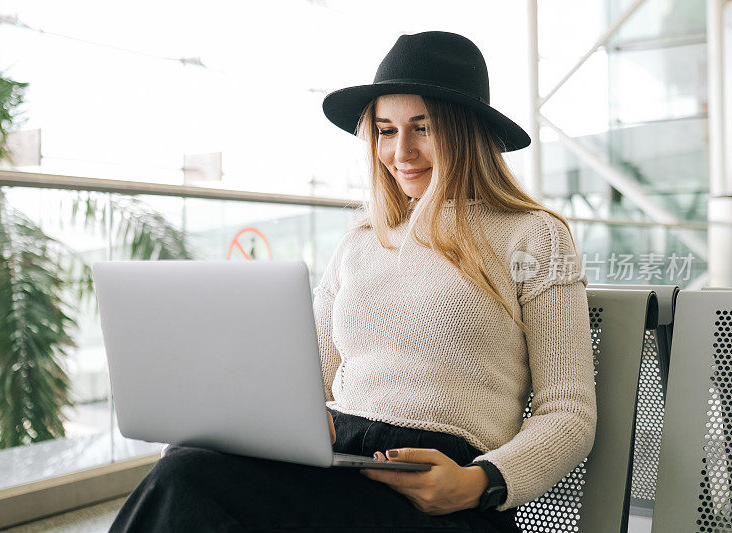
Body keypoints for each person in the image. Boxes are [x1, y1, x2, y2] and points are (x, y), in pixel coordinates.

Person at [110, 31, 597, 533]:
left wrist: (479, 482)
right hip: (339, 466)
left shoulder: (535, 235)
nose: (400, 151)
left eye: (422, 128)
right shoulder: (361, 242)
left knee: (189, 483)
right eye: (385, 131)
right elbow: (307, 382)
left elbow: (569, 412)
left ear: (466, 132)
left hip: (445, 490)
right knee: (188, 466)